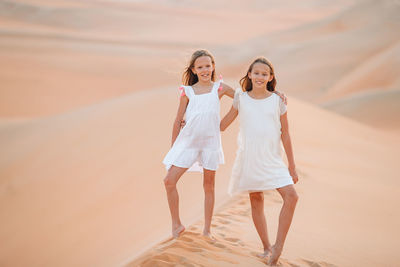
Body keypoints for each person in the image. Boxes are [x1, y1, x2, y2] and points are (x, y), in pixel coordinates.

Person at [220, 57, 299, 265]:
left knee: (291, 196)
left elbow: (286, 134)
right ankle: (266, 248)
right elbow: (222, 125)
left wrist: (291, 165)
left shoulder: (278, 101)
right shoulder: (241, 99)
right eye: (256, 73)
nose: (260, 77)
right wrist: (197, 115)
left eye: (265, 74)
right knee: (257, 200)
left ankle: (278, 247)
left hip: (273, 158)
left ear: (271, 77)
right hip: (250, 157)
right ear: (249, 75)